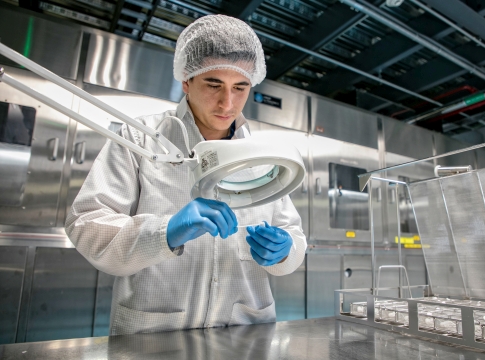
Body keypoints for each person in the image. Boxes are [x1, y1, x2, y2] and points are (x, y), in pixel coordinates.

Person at [65, 14, 307, 335]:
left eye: (240, 87)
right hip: (155, 336)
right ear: (186, 81)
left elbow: (294, 235)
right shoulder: (142, 138)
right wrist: (164, 232)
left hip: (245, 334)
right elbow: (86, 224)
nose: (228, 102)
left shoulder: (261, 155)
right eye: (213, 84)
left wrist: (285, 251)